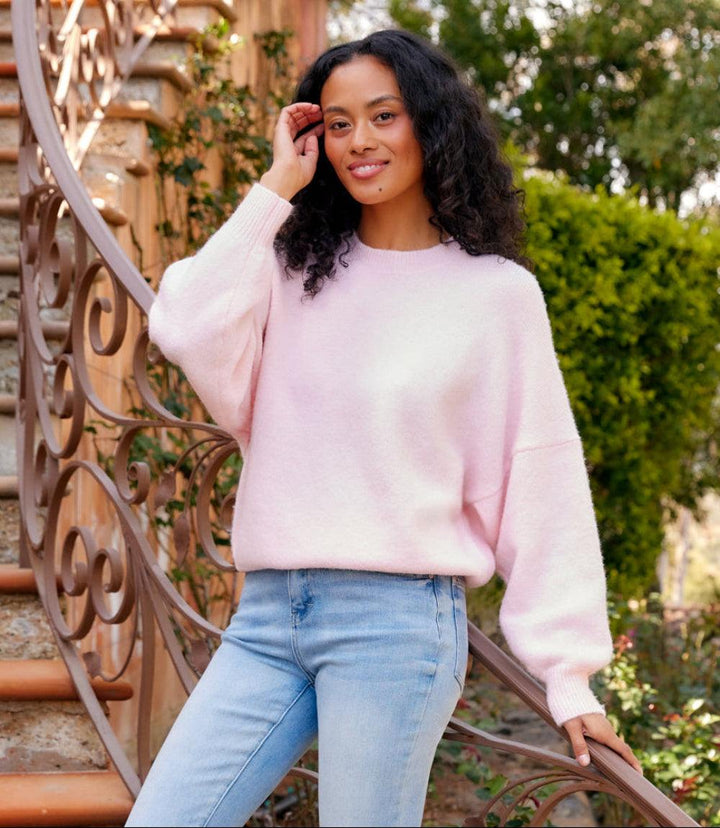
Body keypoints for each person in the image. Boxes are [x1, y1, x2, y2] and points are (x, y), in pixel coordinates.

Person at [126, 27, 640, 828]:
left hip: (395, 630)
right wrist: (274, 185)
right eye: (336, 123)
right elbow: (183, 325)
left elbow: (539, 481)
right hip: (267, 618)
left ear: (429, 125)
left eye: (383, 116)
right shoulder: (290, 269)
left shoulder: (495, 296)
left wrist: (568, 676)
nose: (358, 141)